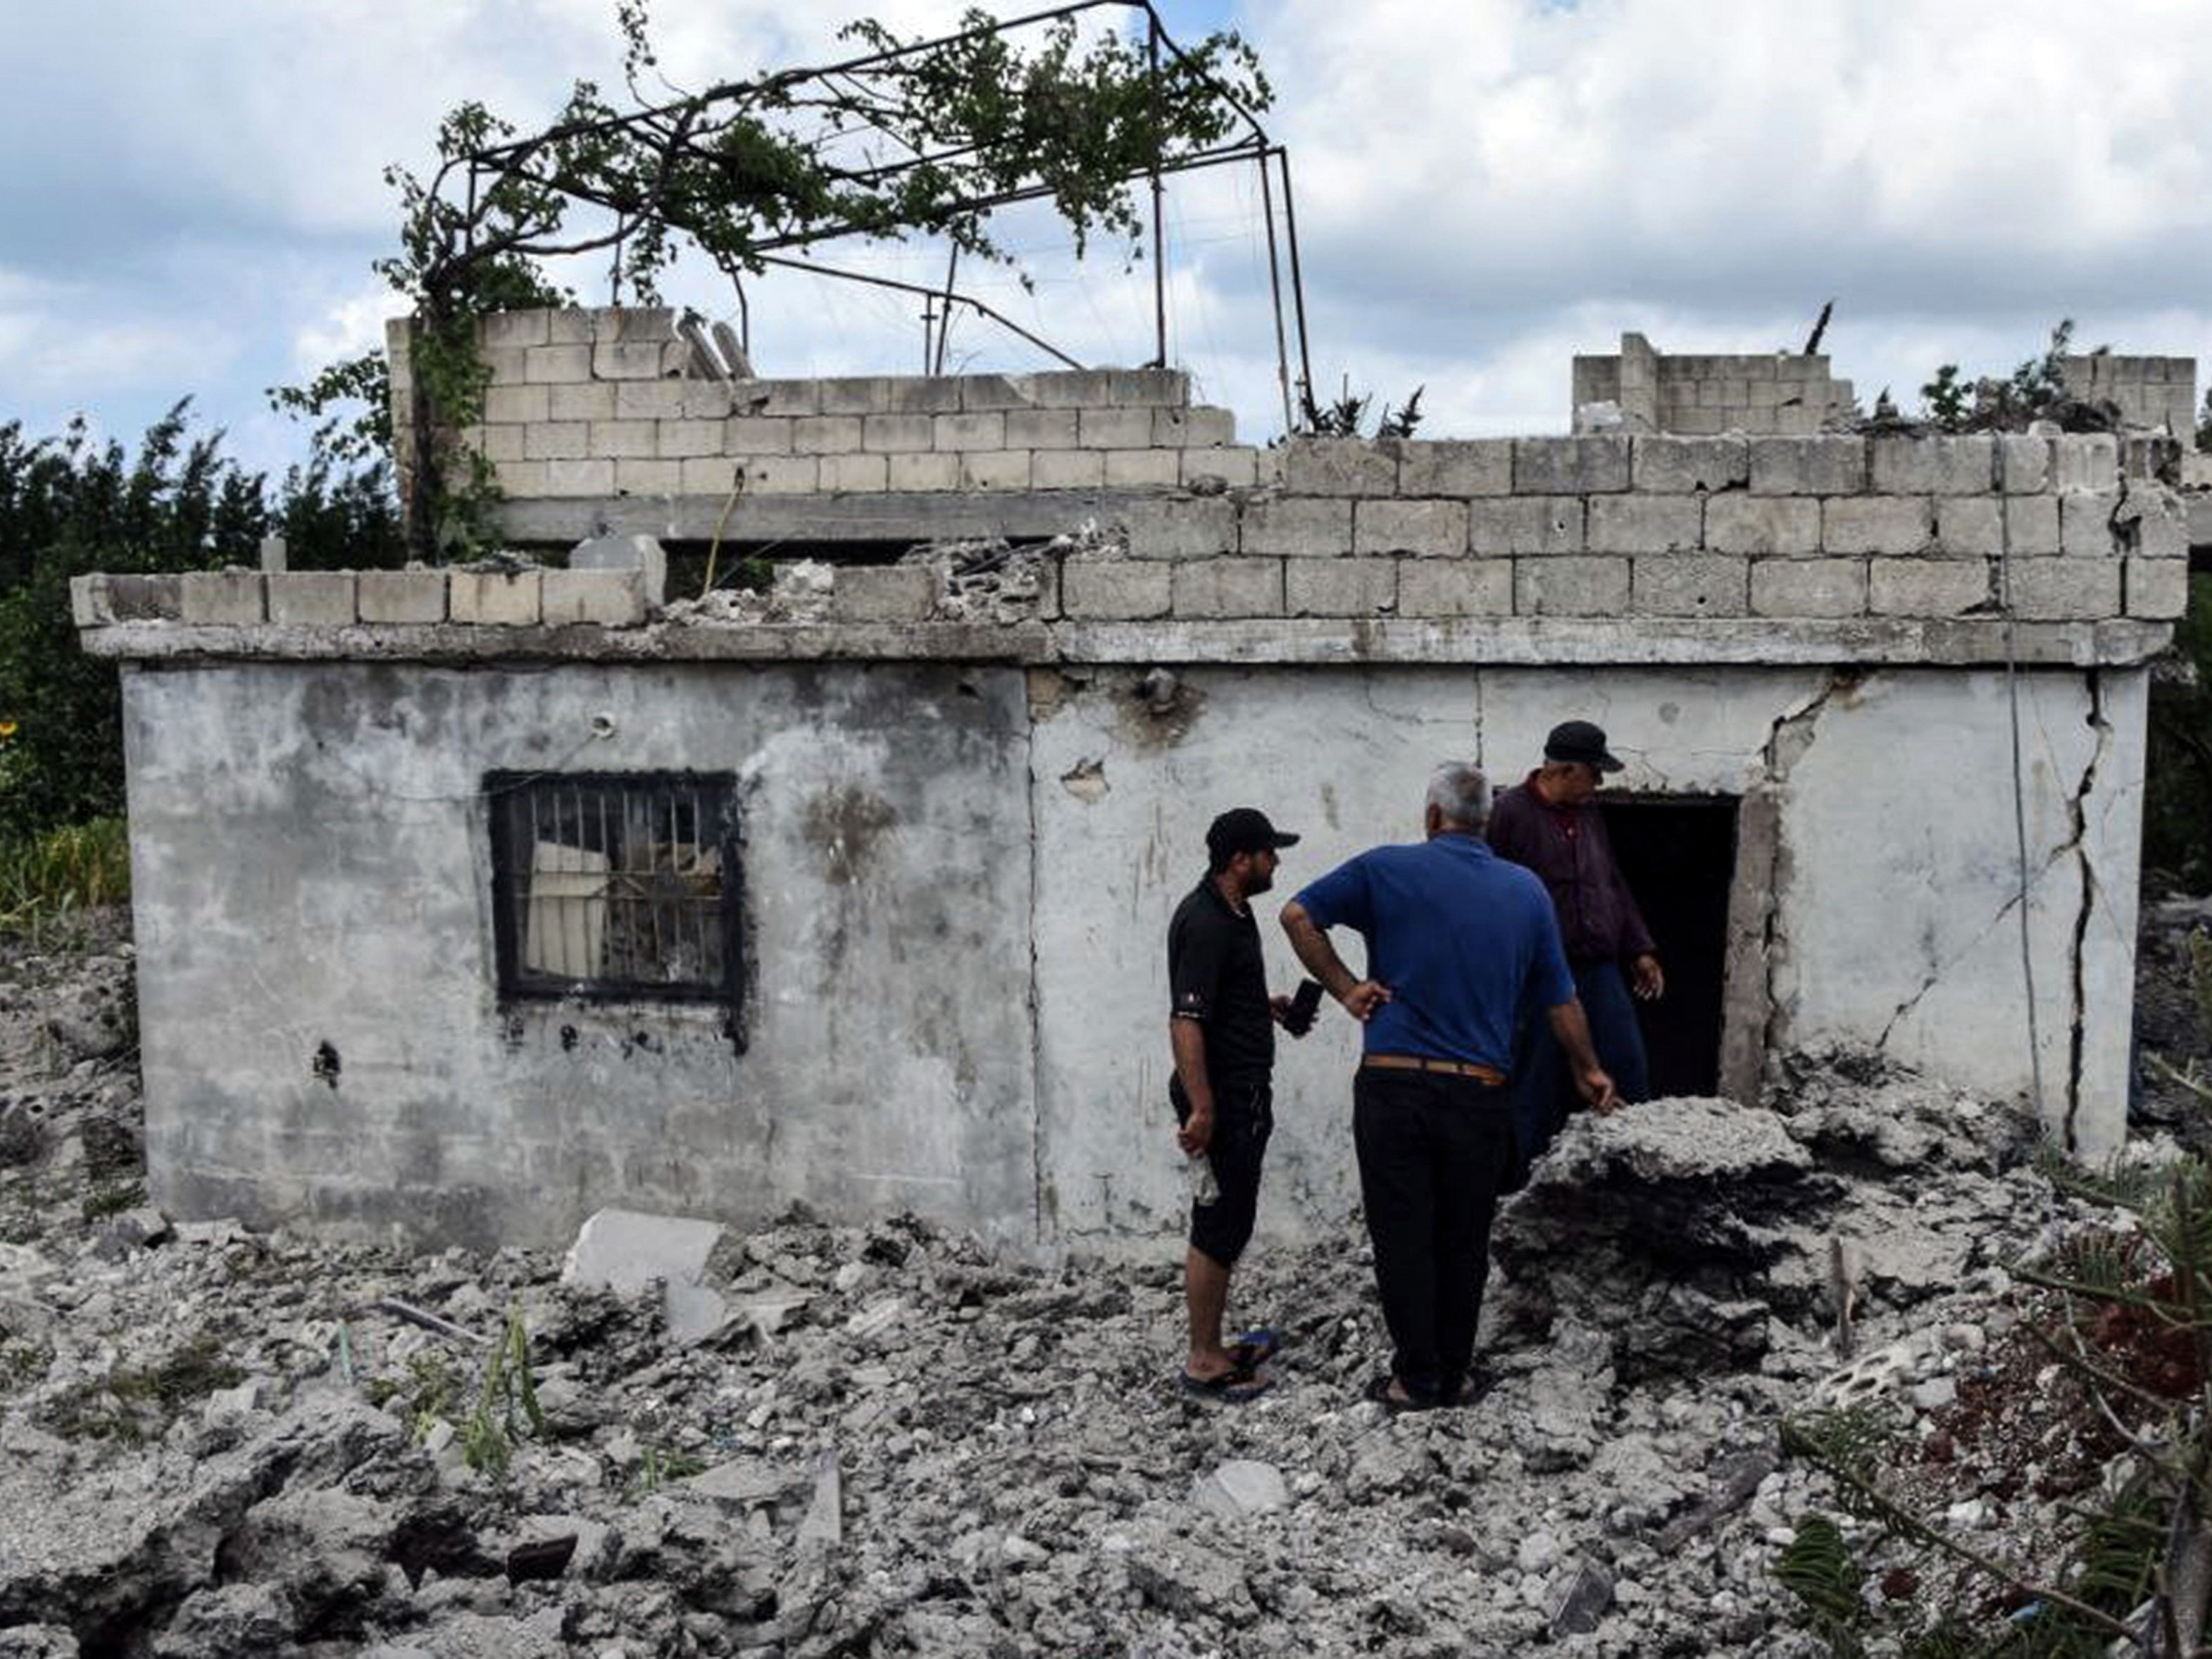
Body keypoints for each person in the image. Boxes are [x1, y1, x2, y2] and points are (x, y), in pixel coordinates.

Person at [1280, 763, 1616, 1412]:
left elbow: (1298, 915)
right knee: (1463, 1236)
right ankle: (1456, 1375)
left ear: (1433, 816)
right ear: (1485, 822)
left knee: (1402, 1235)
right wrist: (1589, 1069)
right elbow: (1560, 998)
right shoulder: (1524, 892)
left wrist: (1347, 988)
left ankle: (1414, 1378)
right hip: (1478, 1093)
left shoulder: (1383, 868)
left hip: (1393, 1087)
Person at [1167, 806, 1306, 1401]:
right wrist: (1203, 1108)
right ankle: (1203, 1361)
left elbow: (1218, 1001)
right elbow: (1186, 1021)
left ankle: (1214, 1345)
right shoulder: (1207, 922)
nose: (1276, 861)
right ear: (1238, 860)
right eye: (1268, 852)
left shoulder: (1234, 911)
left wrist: (1264, 1007)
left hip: (1238, 1088)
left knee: (1230, 1218)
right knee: (1218, 1223)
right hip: (1222, 1094)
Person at [1487, 720, 1663, 1175]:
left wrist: (1638, 947)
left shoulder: (1587, 812)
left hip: (1597, 967)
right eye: (1594, 773)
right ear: (1564, 770)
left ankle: (1637, 1176)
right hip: (1538, 974)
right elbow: (1487, 891)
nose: (1599, 784)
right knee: (1536, 1082)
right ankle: (1533, 1191)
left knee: (1627, 1067)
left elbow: (1610, 881)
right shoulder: (1509, 813)